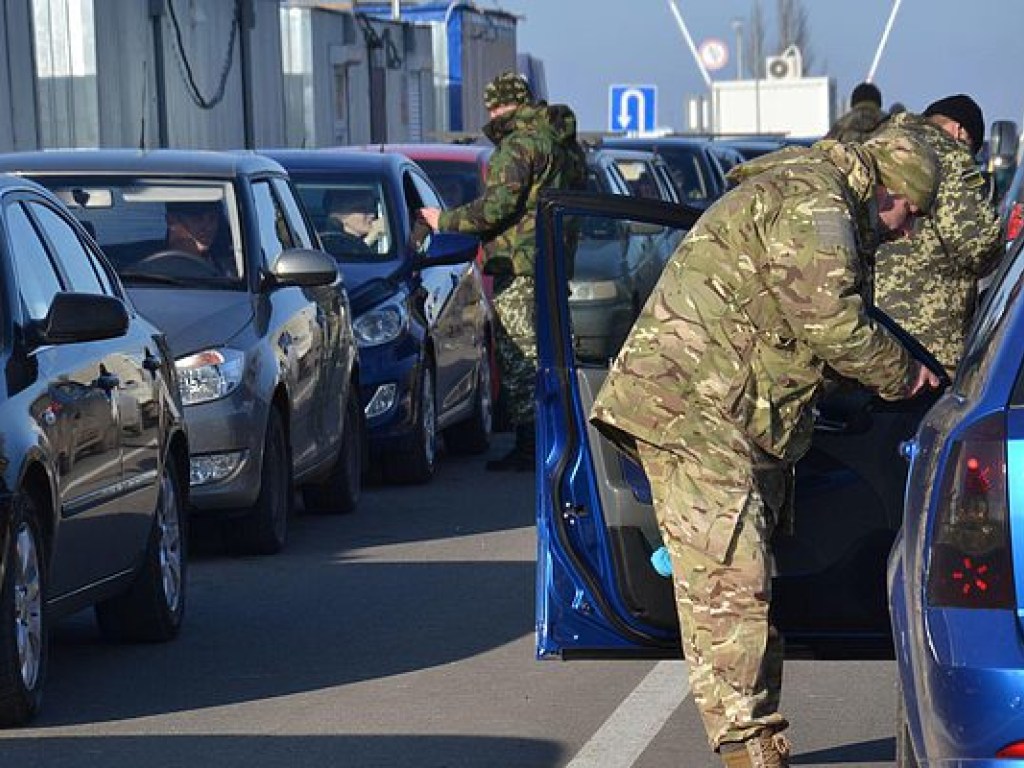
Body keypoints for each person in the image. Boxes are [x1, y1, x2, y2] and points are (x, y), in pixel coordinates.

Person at [589, 129, 942, 768]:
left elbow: (797, 324)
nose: (908, 231)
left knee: (740, 579)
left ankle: (754, 737)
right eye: (910, 213)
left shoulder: (825, 196)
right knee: (731, 584)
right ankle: (749, 748)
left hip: (729, 413)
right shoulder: (818, 202)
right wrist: (905, 376)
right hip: (693, 410)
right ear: (887, 188)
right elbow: (831, 324)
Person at [418, 71, 586, 471]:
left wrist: (442, 220)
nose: (491, 115)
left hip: (520, 263)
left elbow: (495, 209)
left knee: (518, 355)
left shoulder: (518, 146)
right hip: (553, 261)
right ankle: (556, 436)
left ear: (501, 105)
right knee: (548, 352)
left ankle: (532, 445)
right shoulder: (562, 144)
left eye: (492, 106)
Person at [873, 94, 1004, 373]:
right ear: (960, 131)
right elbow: (978, 245)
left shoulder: (879, 144)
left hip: (870, 329)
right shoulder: (951, 155)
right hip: (928, 337)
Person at [164, 200, 236, 276]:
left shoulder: (231, 269)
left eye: (212, 218)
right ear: (171, 220)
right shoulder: (153, 272)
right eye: (197, 219)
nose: (209, 227)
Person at [323, 188, 387, 255]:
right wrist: (373, 236)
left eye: (372, 208)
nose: (372, 215)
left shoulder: (382, 242)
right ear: (338, 214)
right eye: (362, 209)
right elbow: (345, 261)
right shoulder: (329, 242)